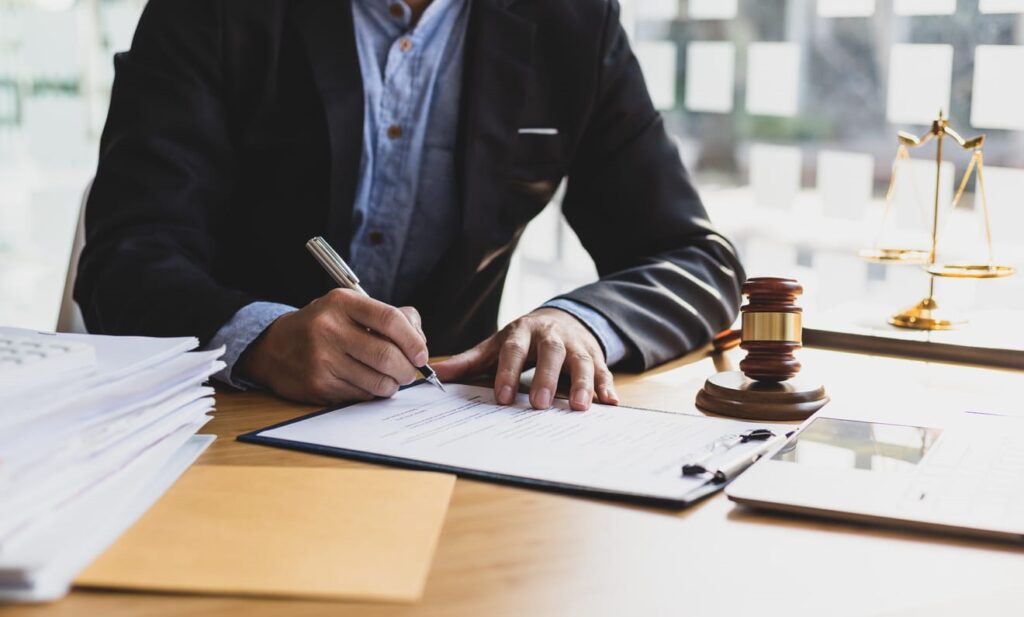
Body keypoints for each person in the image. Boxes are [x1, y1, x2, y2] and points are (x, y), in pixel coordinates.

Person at [75, 0, 745, 411]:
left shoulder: (571, 19)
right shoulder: (214, 10)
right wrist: (264, 341)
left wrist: (580, 324)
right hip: (214, 432)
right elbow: (124, 259)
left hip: (447, 439)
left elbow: (696, 260)